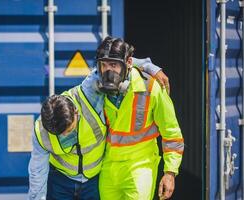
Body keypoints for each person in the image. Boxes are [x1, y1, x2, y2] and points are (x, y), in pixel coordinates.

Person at [28, 56, 168, 199]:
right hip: (60, 181)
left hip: (93, 181)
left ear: (76, 112)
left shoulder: (88, 94)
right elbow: (37, 172)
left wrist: (150, 67)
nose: (64, 136)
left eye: (69, 130)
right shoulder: (41, 131)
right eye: (60, 134)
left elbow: (115, 61)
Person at [83, 36, 184, 200]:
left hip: (140, 167)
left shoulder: (151, 87)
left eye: (114, 65)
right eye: (104, 65)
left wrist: (170, 172)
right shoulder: (95, 88)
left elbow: (171, 132)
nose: (108, 71)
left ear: (128, 63)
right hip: (109, 167)